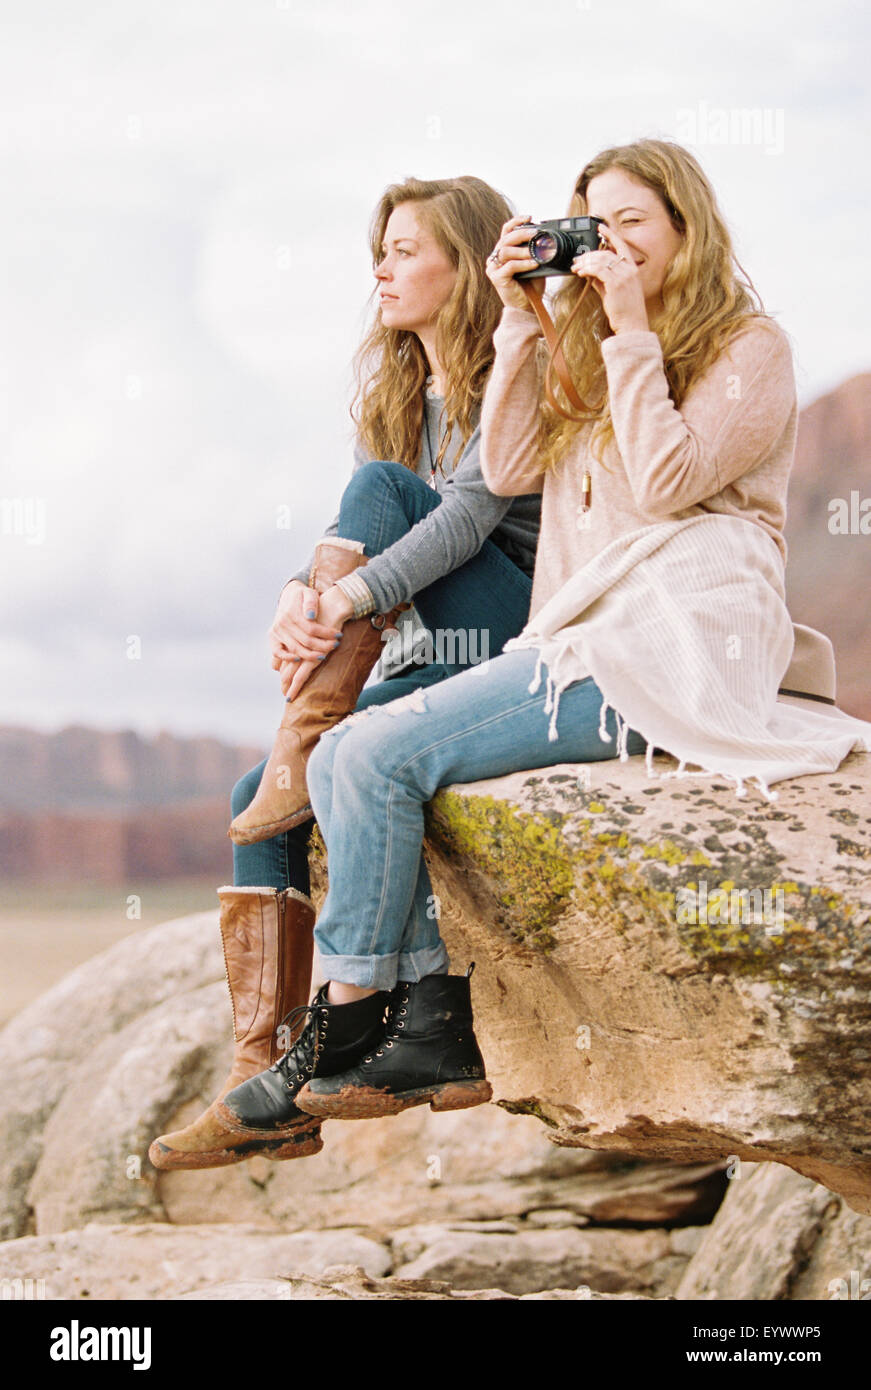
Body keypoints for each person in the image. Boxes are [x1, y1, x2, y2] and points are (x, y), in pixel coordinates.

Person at [204, 138, 871, 1147]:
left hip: (672, 642)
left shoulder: (749, 346)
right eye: (592, 221)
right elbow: (509, 464)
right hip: (581, 637)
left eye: (633, 220)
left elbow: (665, 480)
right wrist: (523, 323)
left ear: (687, 230)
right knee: (346, 750)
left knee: (374, 750)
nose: (611, 241)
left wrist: (632, 330)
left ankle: (341, 1022)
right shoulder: (585, 349)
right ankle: (428, 1022)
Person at [148, 175, 542, 1171]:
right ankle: (265, 1068)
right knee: (258, 799)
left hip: (507, 635)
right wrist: (299, 591)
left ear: (467, 265)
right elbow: (352, 543)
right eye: (382, 248)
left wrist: (342, 602)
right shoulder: (399, 399)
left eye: (407, 248)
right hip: (420, 648)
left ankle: (304, 735)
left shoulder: (519, 368)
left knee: (374, 495)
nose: (382, 267)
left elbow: (458, 526)